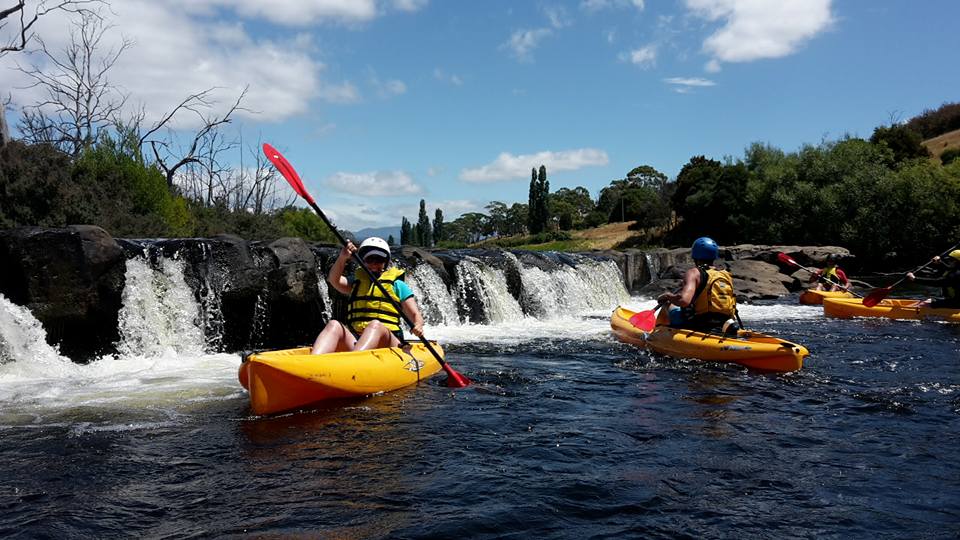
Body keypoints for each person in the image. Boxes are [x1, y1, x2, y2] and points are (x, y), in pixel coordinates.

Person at [311, 237, 425, 354]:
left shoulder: (398, 285)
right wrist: (343, 257)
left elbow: (416, 315)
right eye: (370, 260)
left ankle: (353, 362)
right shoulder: (356, 282)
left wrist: (418, 325)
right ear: (363, 261)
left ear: (385, 262)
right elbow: (333, 280)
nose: (374, 264)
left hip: (389, 343)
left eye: (379, 260)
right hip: (357, 340)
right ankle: (313, 363)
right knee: (333, 324)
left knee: (375, 325)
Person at [657, 236, 739, 334]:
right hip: (725, 324)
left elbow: (683, 301)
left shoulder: (694, 273)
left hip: (699, 324)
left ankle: (659, 333)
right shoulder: (725, 274)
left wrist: (668, 296)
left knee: (668, 304)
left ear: (695, 256)